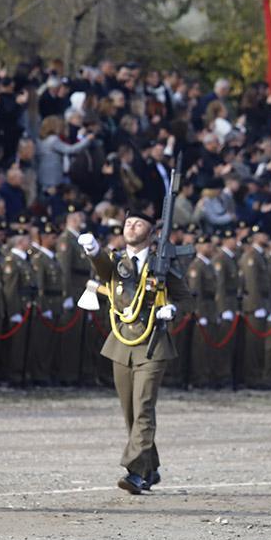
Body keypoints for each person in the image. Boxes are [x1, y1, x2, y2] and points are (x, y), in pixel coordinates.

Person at [79, 209, 190, 494]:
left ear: (151, 232)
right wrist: (93, 250)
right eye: (128, 222)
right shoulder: (117, 262)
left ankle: (135, 473)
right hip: (122, 343)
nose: (131, 226)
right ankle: (150, 469)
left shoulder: (161, 264)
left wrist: (173, 309)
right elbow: (104, 268)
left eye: (138, 223)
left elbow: (185, 298)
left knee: (143, 408)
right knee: (130, 411)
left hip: (153, 343)